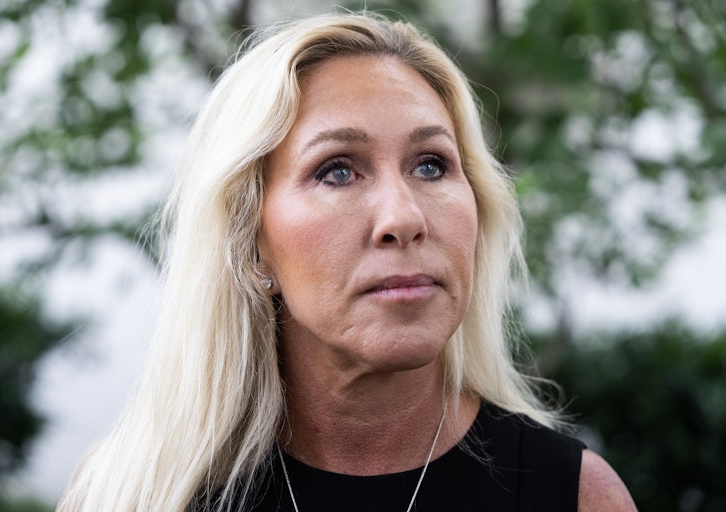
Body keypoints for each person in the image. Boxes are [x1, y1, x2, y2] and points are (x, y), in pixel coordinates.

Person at [58, 12, 636, 512]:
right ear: (250, 242)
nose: (403, 217)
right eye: (338, 169)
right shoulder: (128, 493)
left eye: (431, 165)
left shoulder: (577, 497)